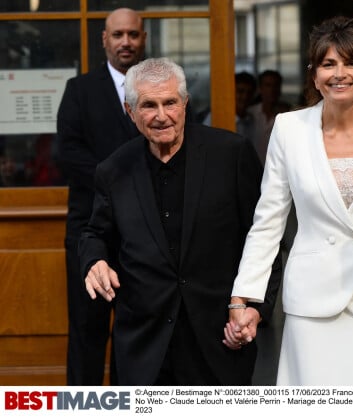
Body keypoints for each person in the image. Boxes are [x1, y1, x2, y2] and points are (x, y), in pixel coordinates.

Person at [224, 16, 353, 386]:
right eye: (328, 64)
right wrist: (244, 298)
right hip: (313, 302)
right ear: (314, 75)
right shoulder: (288, 129)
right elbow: (268, 221)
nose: (339, 73)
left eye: (350, 63)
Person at [79, 57, 281, 385]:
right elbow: (94, 233)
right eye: (148, 105)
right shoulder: (113, 170)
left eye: (170, 102)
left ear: (185, 103)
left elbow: (265, 237)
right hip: (144, 346)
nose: (161, 116)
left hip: (219, 339)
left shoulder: (232, 154)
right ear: (130, 112)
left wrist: (256, 308)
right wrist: (94, 260)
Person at [55, 7, 146, 385]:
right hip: (90, 230)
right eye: (118, 35)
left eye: (133, 35)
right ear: (104, 39)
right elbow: (68, 154)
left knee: (138, 333)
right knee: (87, 331)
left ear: (143, 39)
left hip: (144, 234)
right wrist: (124, 179)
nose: (126, 42)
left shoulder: (158, 89)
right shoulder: (80, 90)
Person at [247, 69, 291, 165]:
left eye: (275, 85)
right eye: (268, 85)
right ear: (260, 88)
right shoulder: (250, 114)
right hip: (253, 170)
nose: (272, 90)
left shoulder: (289, 115)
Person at [202, 71, 257, 141]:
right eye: (240, 91)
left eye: (249, 92)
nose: (245, 97)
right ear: (231, 92)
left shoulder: (251, 120)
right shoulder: (216, 117)